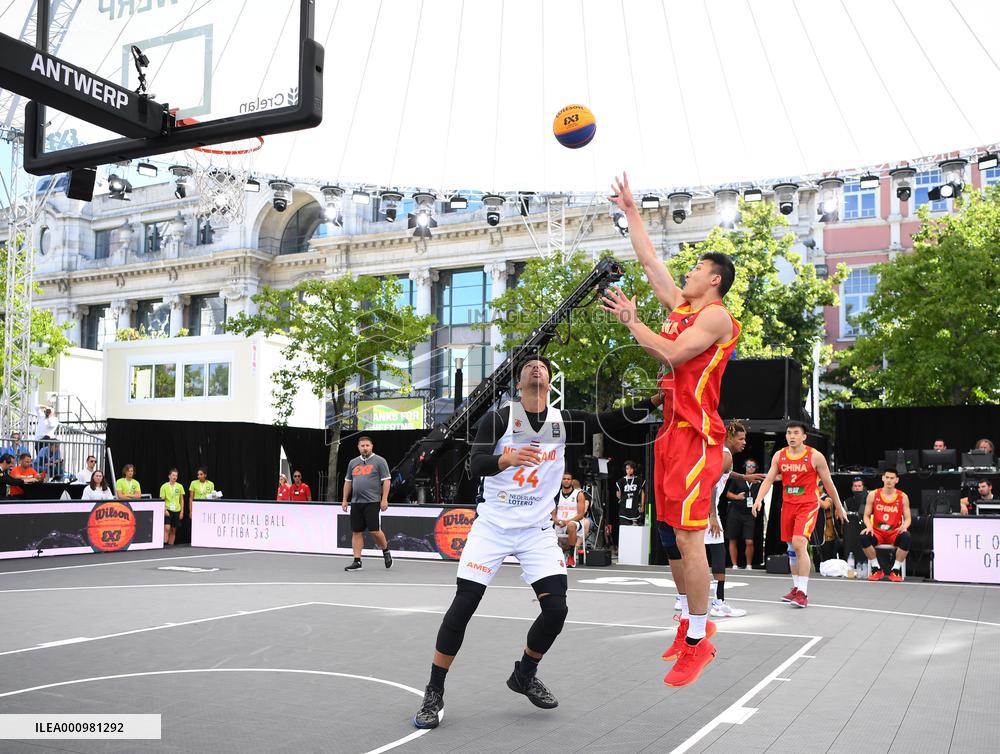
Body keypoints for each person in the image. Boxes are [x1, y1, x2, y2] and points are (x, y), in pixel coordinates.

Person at [411, 355, 660, 729]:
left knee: (556, 610)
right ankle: (434, 691)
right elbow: (474, 464)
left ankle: (524, 673)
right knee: (464, 605)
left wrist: (656, 400)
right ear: (519, 379)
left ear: (549, 378)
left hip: (535, 530)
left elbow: (613, 420)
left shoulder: (564, 421)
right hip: (493, 525)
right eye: (529, 364)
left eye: (543, 364)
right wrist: (505, 459)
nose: (537, 367)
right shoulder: (498, 419)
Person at [602, 172, 741, 687]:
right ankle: (685, 618)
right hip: (670, 432)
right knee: (669, 538)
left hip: (698, 435)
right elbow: (650, 261)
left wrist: (634, 323)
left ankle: (700, 640)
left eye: (699, 269)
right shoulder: (682, 308)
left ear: (715, 282)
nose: (688, 272)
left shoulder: (717, 319)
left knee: (689, 538)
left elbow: (673, 353)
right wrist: (632, 212)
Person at [753, 422, 847, 608]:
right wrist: (758, 499)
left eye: (796, 433)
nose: (792, 436)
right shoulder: (780, 455)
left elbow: (829, 484)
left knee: (798, 543)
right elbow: (770, 479)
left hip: (808, 505)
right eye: (789, 433)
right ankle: (796, 588)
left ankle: (803, 593)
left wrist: (838, 506)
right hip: (788, 505)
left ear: (804, 436)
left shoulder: (815, 456)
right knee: (791, 548)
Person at [706, 422, 753, 618]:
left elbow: (723, 472)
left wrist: (743, 476)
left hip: (700, 509)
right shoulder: (726, 454)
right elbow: (709, 485)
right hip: (705, 511)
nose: (744, 442)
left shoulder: (722, 453)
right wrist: (713, 515)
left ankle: (684, 598)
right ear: (729, 437)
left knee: (699, 556)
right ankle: (717, 603)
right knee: (717, 554)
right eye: (741, 439)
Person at [342, 436, 392, 572]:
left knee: (375, 531)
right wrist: (345, 499)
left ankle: (386, 551)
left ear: (372, 446)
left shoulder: (380, 461)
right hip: (356, 502)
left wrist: (384, 499)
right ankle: (357, 561)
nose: (365, 448)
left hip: (372, 501)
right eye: (362, 446)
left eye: (367, 445)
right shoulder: (353, 462)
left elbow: (387, 481)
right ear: (358, 447)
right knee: (356, 532)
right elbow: (348, 481)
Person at [859, 469, 911, 582]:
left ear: (897, 480)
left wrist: (904, 526)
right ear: (882, 478)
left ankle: (896, 569)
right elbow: (866, 515)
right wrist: (868, 526)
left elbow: (908, 518)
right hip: (877, 532)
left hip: (894, 532)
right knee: (863, 536)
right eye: (887, 477)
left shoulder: (903, 496)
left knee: (907, 536)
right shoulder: (873, 495)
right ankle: (876, 567)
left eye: (892, 478)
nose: (889, 480)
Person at [553, 473, 588, 568]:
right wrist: (555, 520)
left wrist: (567, 522)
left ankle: (571, 556)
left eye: (568, 479)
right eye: (564, 479)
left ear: (571, 481)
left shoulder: (579, 494)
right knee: (543, 526)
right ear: (561, 481)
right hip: (559, 523)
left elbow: (581, 515)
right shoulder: (556, 493)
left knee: (571, 526)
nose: (566, 480)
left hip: (575, 523)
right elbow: (552, 511)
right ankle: (550, 556)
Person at [813, 487, 846, 566]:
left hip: (827, 532)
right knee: (817, 558)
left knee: (828, 557)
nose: (816, 487)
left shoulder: (828, 498)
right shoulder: (813, 498)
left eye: (818, 485)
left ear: (822, 487)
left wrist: (812, 496)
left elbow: (825, 505)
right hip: (816, 531)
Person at [159, 468, 186, 546]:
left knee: (173, 529)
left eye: (176, 476)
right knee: (167, 528)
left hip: (177, 510)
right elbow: (162, 500)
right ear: (169, 476)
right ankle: (165, 544)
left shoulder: (180, 486)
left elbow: (182, 500)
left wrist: (182, 511)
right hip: (168, 510)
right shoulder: (164, 486)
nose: (175, 477)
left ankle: (171, 546)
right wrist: (164, 510)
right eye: (173, 475)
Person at [616, 461, 645, 527]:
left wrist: (642, 505)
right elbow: (618, 495)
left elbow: (643, 493)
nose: (629, 470)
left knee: (635, 529)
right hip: (624, 510)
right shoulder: (621, 481)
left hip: (635, 509)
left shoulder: (638, 480)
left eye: (631, 468)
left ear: (634, 469)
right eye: (627, 469)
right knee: (625, 530)